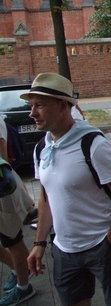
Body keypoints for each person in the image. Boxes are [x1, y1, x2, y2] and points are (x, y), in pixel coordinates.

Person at [25, 73, 111, 306]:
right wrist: (39, 244)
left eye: (39, 105)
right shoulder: (42, 149)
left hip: (103, 245)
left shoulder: (93, 144)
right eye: (31, 106)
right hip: (64, 249)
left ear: (62, 105)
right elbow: (46, 197)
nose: (32, 113)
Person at [0, 117, 35, 306]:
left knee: (12, 239)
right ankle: (20, 268)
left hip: (3, 190)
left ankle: (23, 286)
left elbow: (1, 160)